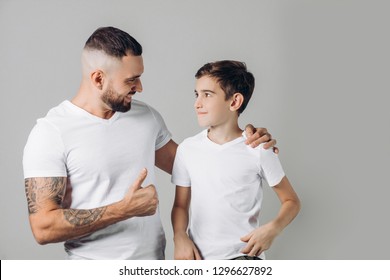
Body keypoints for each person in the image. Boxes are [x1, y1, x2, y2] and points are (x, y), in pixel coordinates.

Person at [23, 27, 277, 260]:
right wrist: (123, 209)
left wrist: (246, 138)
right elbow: (43, 228)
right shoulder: (51, 132)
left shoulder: (146, 116)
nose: (140, 87)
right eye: (131, 80)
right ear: (98, 79)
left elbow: (200, 163)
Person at [171, 60, 301, 260]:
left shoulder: (258, 148)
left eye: (207, 94)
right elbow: (180, 205)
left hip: (243, 258)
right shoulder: (187, 149)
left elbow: (291, 201)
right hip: (198, 260)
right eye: (197, 94)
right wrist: (179, 236)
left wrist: (272, 229)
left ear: (234, 102)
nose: (197, 103)